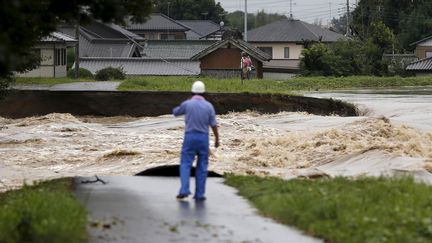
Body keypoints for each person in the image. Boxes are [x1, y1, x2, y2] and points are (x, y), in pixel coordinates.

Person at [173, 81, 220, 201]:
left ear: (192, 92)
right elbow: (213, 124)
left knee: (185, 164)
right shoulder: (209, 106)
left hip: (190, 137)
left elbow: (175, 112)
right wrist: (217, 139)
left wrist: (186, 102)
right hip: (203, 138)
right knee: (202, 166)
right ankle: (199, 194)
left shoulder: (188, 104)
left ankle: (184, 190)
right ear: (204, 93)